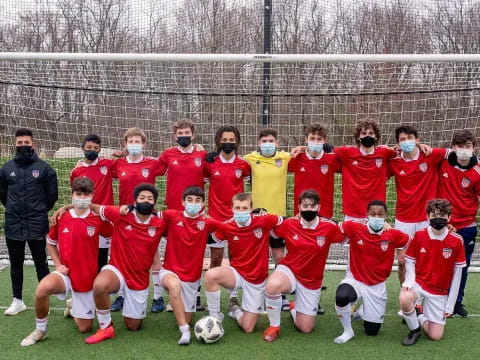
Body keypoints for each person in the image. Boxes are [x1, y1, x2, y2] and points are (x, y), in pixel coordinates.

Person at [20, 177, 112, 346]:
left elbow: (114, 235)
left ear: (92, 195)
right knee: (43, 288)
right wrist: (57, 264)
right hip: (66, 273)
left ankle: (72, 304)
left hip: (86, 278)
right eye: (78, 194)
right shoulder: (62, 217)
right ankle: (40, 329)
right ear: (72, 195)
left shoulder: (98, 219)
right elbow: (50, 242)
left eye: (86, 194)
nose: (82, 198)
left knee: (84, 328)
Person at [84, 183, 167, 344]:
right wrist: (66, 208)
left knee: (133, 326)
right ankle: (106, 327)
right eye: (142, 197)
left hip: (140, 277)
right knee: (100, 285)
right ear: (135, 202)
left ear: (154, 203)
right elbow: (94, 206)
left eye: (150, 199)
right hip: (117, 269)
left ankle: (130, 309)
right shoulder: (121, 214)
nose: (146, 200)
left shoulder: (160, 223)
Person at [262, 190, 345, 342]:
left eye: (312, 206)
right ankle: (274, 326)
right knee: (272, 285)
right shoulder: (290, 224)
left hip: (312, 280)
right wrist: (260, 215)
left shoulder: (329, 227)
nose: (309, 209)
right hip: (290, 271)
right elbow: (271, 229)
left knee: (306, 328)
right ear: (299, 207)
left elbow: (350, 234)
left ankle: (295, 306)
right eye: (305, 205)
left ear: (318, 208)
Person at [204, 193, 283, 333]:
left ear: (251, 209)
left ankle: (235, 310)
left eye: (244, 208)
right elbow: (210, 240)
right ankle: (214, 317)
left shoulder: (263, 221)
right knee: (211, 275)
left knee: (248, 328)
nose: (241, 211)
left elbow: (284, 221)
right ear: (232, 209)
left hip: (257, 280)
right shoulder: (227, 226)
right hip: (237, 273)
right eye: (237, 208)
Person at [333, 200, 410, 344]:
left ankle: (360, 311)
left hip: (377, 285)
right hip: (355, 279)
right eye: (373, 214)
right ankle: (348, 331)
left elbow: (412, 242)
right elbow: (331, 223)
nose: (377, 217)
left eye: (380, 214)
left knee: (372, 331)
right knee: (342, 296)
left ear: (386, 215)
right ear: (367, 215)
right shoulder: (354, 227)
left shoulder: (393, 234)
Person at [0, 128, 58, 316]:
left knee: (41, 262)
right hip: (13, 223)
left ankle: (44, 299)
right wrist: (14, 210)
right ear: (15, 144)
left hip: (36, 222)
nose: (23, 146)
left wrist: (38, 211)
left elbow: (52, 196)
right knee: (15, 263)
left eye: (26, 143)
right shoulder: (6, 168)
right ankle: (17, 300)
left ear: (33, 143)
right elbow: (3, 195)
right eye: (20, 143)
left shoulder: (44, 168)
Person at [388, 125, 447, 304]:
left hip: (426, 219)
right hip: (403, 218)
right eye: (402, 139)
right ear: (398, 143)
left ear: (417, 139)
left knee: (425, 259)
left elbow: (455, 153)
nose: (407, 142)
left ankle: (422, 298)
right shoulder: (394, 161)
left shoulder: (430, 155)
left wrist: (425, 147)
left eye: (410, 138)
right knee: (402, 261)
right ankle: (405, 294)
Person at [155, 119, 207, 312]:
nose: (183, 136)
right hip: (174, 212)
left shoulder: (202, 154)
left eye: (187, 133)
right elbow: (149, 170)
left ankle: (196, 294)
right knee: (173, 251)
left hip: (196, 213)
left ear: (193, 135)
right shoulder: (168, 154)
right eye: (180, 133)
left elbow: (216, 173)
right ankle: (173, 296)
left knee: (196, 252)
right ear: (174, 136)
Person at [110, 127, 164, 312]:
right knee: (124, 257)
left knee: (153, 255)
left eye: (137, 142)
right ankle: (121, 296)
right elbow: (99, 170)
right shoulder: (117, 165)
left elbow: (172, 166)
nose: (134, 145)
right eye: (130, 142)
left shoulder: (153, 163)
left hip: (147, 215)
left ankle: (157, 298)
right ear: (125, 144)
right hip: (125, 216)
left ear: (144, 144)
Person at [159, 186, 220, 345]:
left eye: (198, 200)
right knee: (174, 285)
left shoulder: (207, 222)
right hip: (170, 270)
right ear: (183, 202)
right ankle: (184, 331)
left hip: (192, 277)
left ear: (202, 204)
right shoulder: (172, 215)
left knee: (187, 317)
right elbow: (148, 214)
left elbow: (229, 226)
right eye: (190, 200)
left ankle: (182, 316)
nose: (193, 203)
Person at [400, 199, 465, 346]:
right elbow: (409, 260)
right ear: (427, 216)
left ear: (449, 218)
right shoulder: (419, 235)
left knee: (435, 336)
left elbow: (458, 274)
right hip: (420, 284)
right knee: (405, 297)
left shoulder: (457, 240)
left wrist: (450, 304)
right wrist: (410, 281)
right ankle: (414, 330)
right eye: (434, 215)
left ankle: (420, 315)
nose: (438, 218)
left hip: (439, 291)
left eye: (442, 215)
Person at [204, 126, 250, 309]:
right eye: (224, 139)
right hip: (216, 219)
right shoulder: (210, 164)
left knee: (236, 258)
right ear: (218, 141)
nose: (228, 142)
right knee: (215, 258)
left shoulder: (244, 165)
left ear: (237, 141)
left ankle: (233, 296)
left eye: (232, 139)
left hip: (237, 219)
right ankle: (211, 297)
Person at [244, 129, 290, 309]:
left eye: (271, 140)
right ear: (258, 143)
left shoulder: (285, 158)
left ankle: (280, 294)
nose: (268, 144)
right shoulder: (249, 158)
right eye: (264, 141)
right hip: (257, 217)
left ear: (277, 143)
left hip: (278, 218)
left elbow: (304, 153)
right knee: (259, 258)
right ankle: (259, 293)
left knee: (279, 256)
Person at [438, 131, 480, 317]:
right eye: (460, 146)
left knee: (461, 266)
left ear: (474, 148)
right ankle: (438, 299)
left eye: (468, 146)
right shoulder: (443, 160)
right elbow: (424, 151)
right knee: (438, 264)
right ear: (453, 147)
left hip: (466, 226)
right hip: (441, 225)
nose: (464, 150)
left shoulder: (478, 171)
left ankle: (457, 302)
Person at [333, 119, 397, 221]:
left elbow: (404, 150)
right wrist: (304, 148)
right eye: (363, 133)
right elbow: (321, 151)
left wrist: (420, 145)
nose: (367, 136)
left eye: (371, 133)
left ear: (376, 136)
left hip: (376, 212)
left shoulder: (384, 153)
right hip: (352, 212)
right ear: (358, 137)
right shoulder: (346, 153)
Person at [70, 134, 115, 271]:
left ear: (100, 150)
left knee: (102, 257)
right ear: (83, 148)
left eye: (96, 148)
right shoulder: (76, 171)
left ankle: (100, 288)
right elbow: (75, 196)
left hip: (104, 218)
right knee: (86, 254)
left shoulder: (107, 164)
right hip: (86, 217)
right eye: (89, 147)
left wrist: (122, 153)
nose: (92, 150)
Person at [288, 124, 340, 219]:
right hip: (301, 212)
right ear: (306, 139)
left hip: (324, 213)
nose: (315, 142)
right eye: (312, 138)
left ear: (324, 141)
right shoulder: (296, 158)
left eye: (319, 139)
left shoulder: (332, 159)